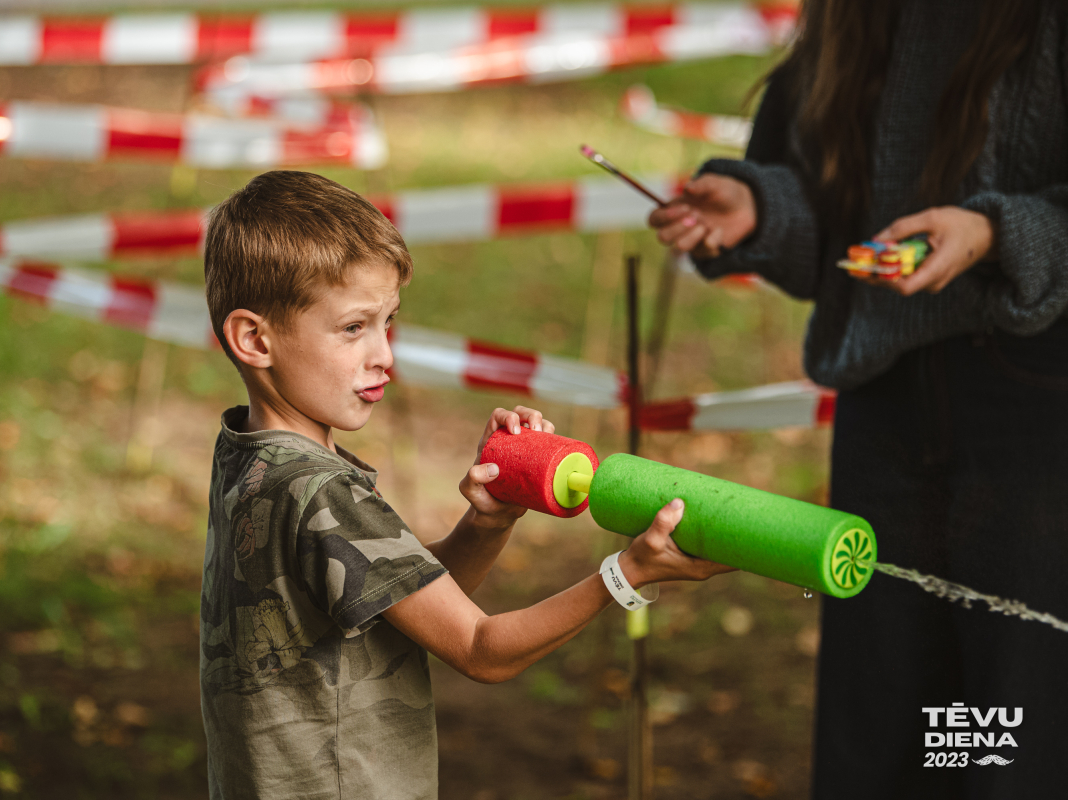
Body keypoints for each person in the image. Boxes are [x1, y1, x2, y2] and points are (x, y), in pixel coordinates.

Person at [199, 170, 734, 799]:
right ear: (254, 338)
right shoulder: (323, 494)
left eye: (388, 323)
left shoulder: (248, 458)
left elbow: (400, 611)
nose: (384, 356)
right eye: (353, 328)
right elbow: (482, 649)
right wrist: (628, 574)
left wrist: (488, 522)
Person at [649, 1, 1068, 797]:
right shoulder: (847, 14)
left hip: (1041, 406)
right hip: (885, 398)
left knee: (1017, 735)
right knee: (887, 729)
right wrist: (764, 210)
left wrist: (995, 235)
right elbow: (834, 215)